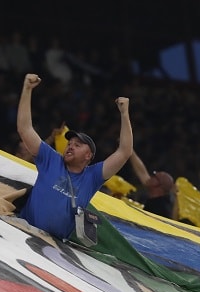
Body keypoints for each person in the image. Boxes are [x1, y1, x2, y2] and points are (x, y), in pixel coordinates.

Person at [16, 73, 132, 240]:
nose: (70, 146)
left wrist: (124, 113)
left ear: (88, 156)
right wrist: (27, 90)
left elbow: (124, 152)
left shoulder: (93, 177)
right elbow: (25, 129)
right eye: (70, 143)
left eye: (77, 145)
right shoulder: (51, 159)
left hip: (53, 247)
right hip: (22, 232)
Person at [128, 148, 175, 218]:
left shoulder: (159, 210)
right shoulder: (159, 199)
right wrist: (129, 149)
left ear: (157, 184)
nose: (150, 177)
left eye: (154, 176)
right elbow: (141, 171)